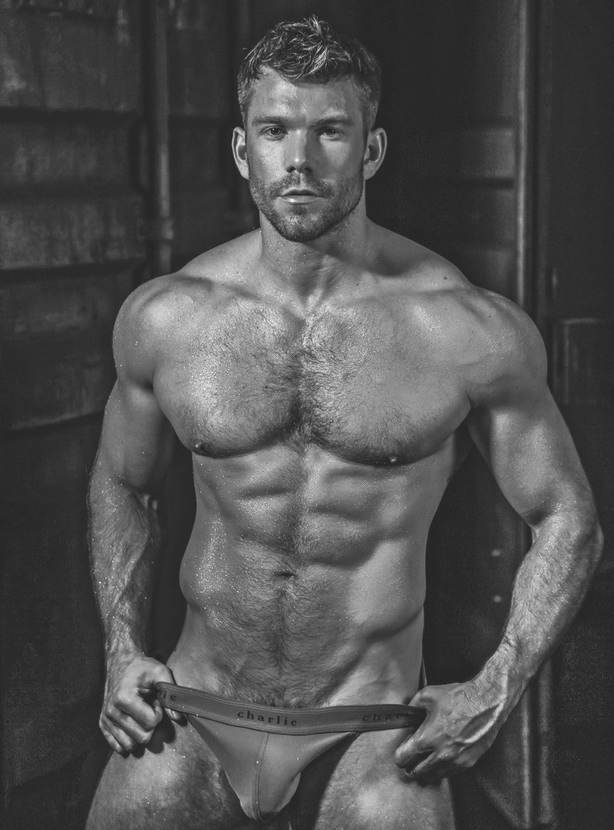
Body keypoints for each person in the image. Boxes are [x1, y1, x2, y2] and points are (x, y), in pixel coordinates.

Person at [86, 16, 602, 830]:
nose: (299, 159)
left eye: (330, 130)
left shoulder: (465, 329)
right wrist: (121, 650)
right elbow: (123, 483)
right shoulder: (167, 319)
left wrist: (498, 683)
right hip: (193, 704)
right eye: (274, 130)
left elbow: (568, 517)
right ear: (241, 150)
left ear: (372, 149)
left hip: (370, 725)